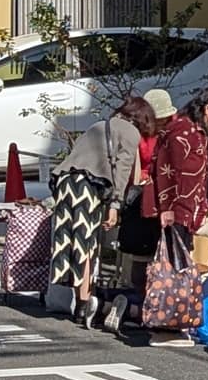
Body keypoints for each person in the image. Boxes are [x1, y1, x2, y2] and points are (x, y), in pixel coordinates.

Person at [49, 97, 155, 326]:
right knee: (86, 244)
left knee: (70, 243)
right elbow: (123, 171)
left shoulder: (97, 126)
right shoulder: (130, 133)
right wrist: (116, 206)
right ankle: (85, 303)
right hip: (87, 187)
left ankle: (78, 298)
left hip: (64, 182)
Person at [145, 85, 208, 240]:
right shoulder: (181, 132)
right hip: (174, 204)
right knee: (174, 254)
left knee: (176, 252)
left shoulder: (180, 130)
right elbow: (170, 172)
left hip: (181, 204)